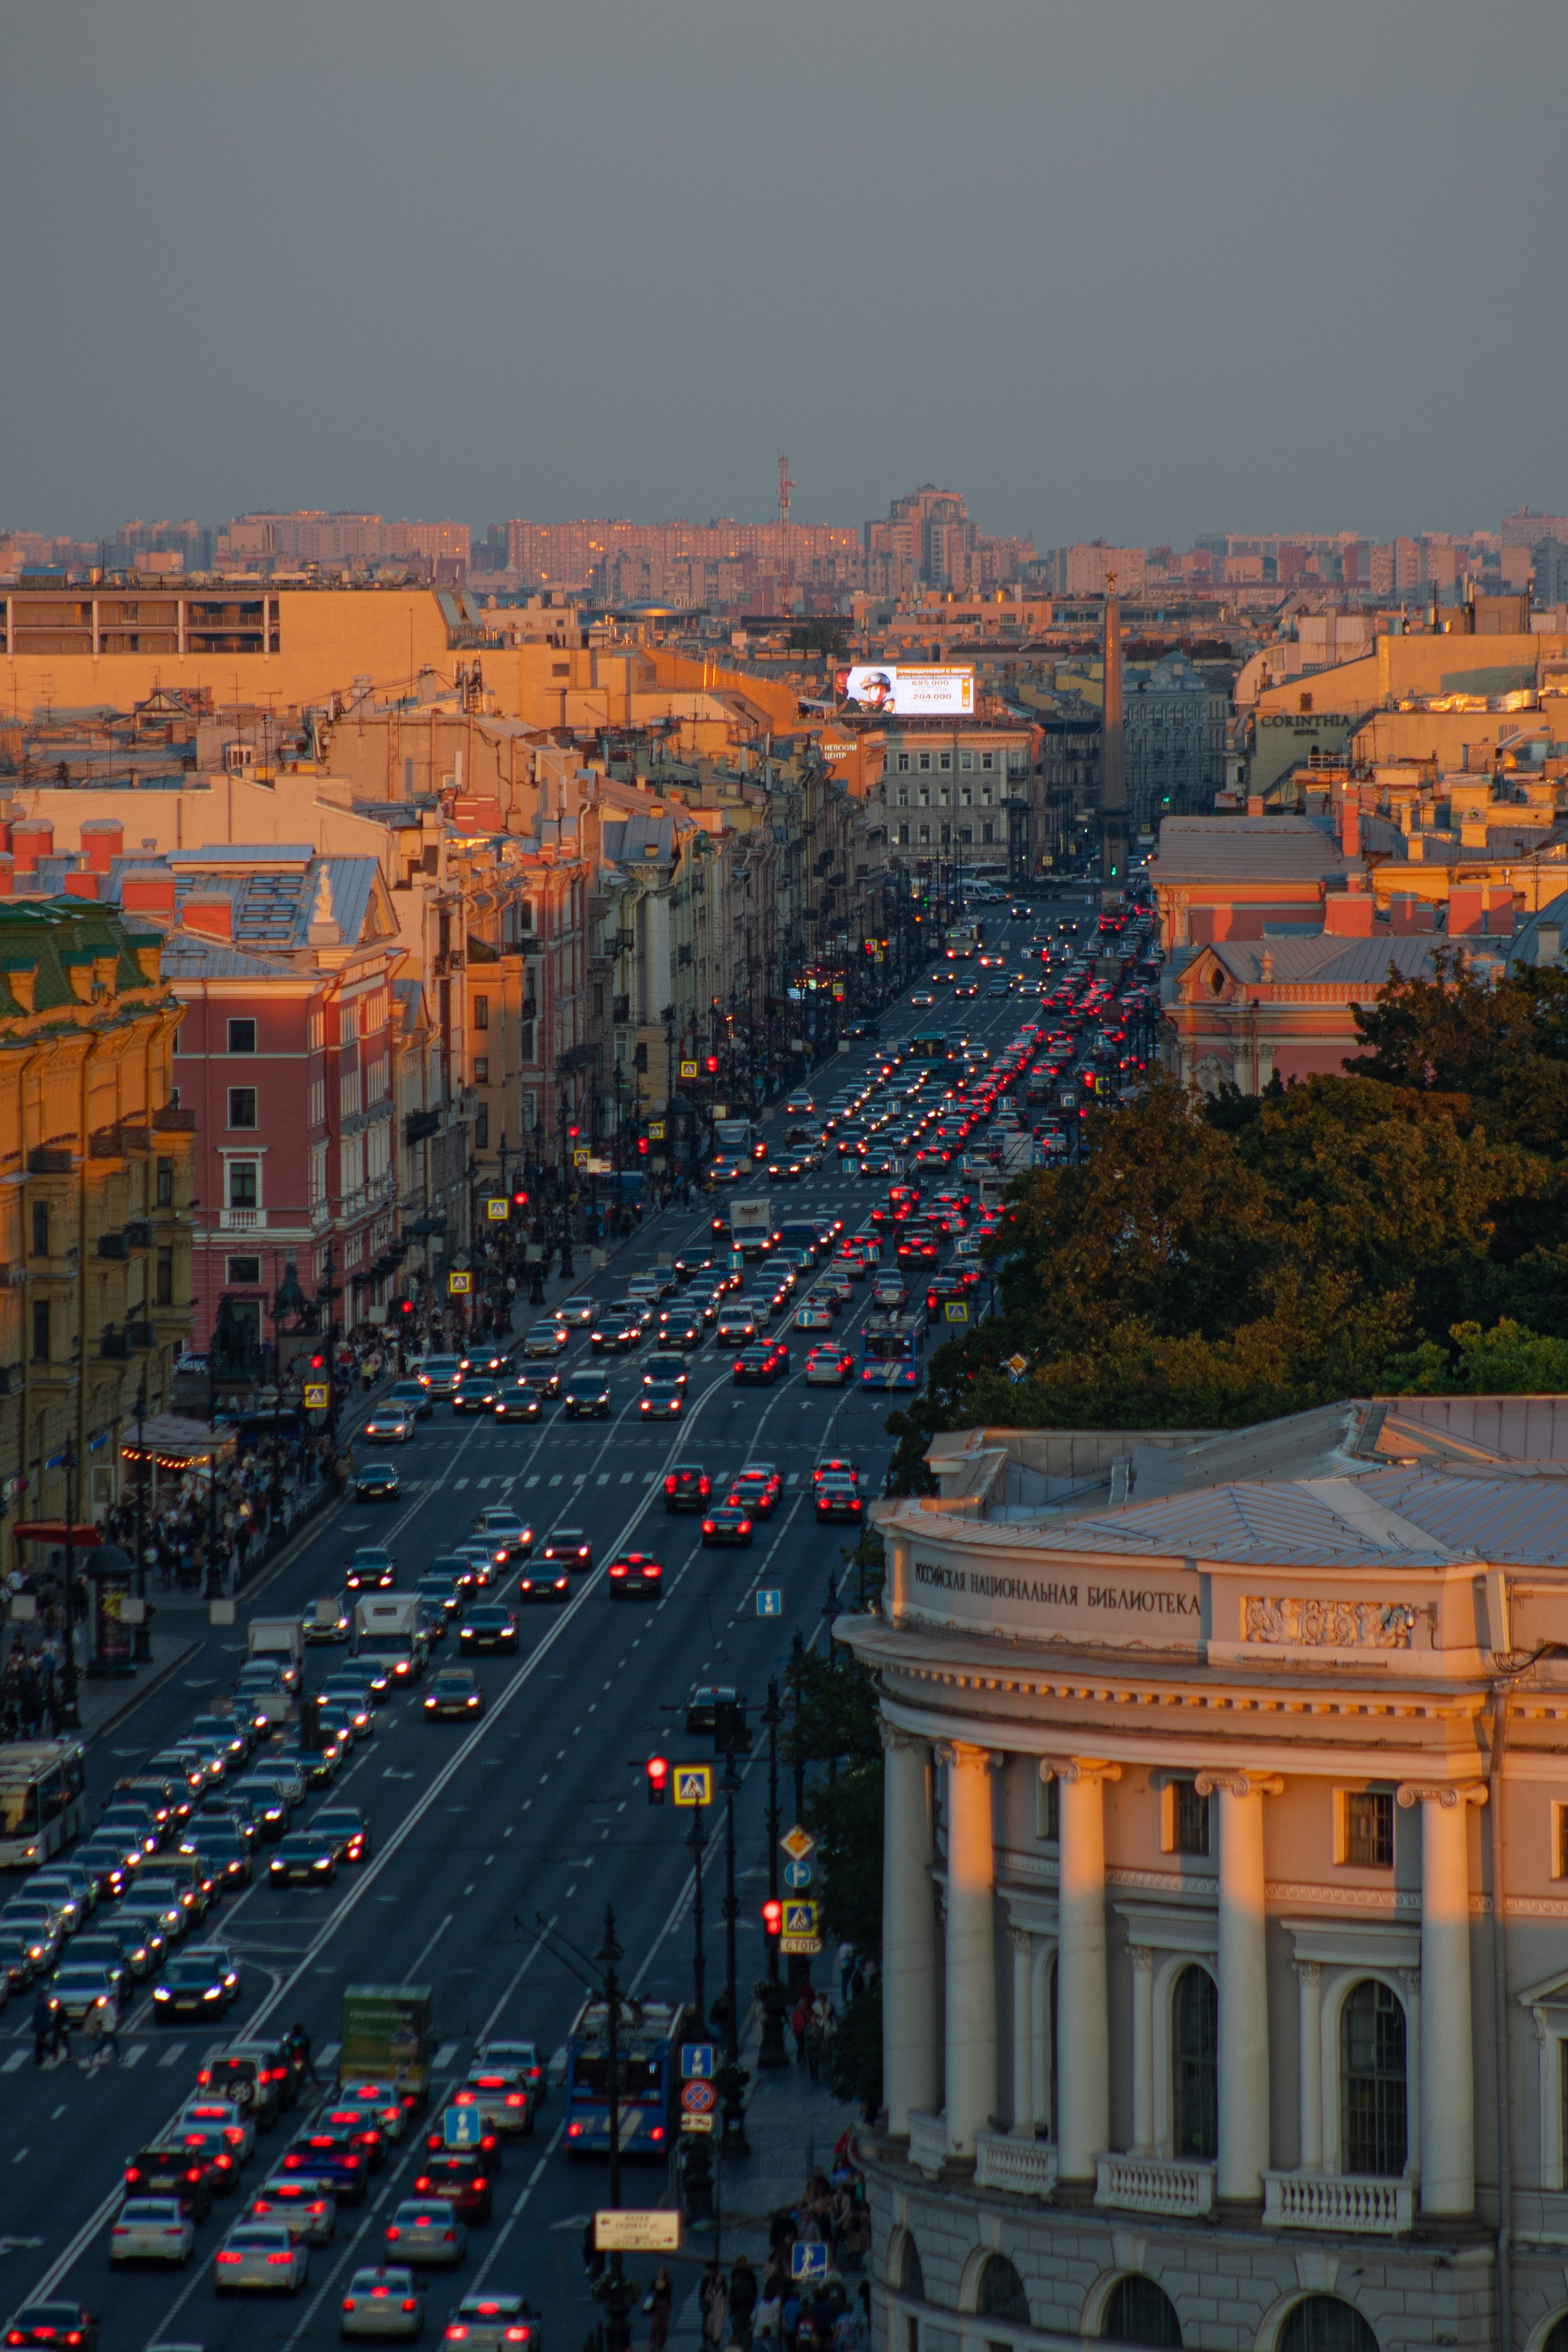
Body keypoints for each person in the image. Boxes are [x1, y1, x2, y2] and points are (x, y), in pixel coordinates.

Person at [646, 2266, 673, 2352]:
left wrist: (669, 2308)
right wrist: (647, 2306)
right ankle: (652, 2342)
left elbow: (669, 2297)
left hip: (664, 2306)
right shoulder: (654, 2283)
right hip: (655, 2306)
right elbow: (650, 2295)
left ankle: (661, 2344)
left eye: (663, 2273)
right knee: (654, 2325)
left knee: (663, 2327)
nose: (661, 2275)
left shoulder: (668, 2284)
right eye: (660, 2273)